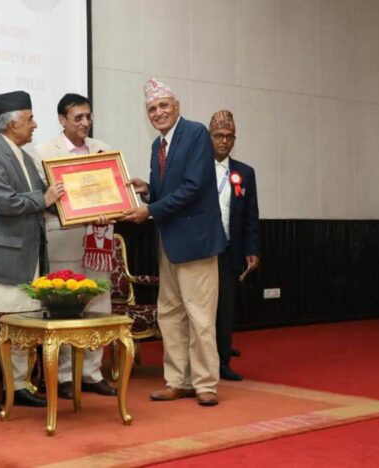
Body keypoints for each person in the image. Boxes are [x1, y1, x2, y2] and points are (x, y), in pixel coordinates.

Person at [121, 78, 227, 407]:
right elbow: (168, 191)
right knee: (170, 314)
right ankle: (178, 381)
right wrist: (148, 190)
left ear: (177, 106)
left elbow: (194, 187)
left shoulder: (195, 133)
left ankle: (205, 383)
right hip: (168, 242)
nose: (158, 112)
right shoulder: (158, 145)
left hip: (196, 242)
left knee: (200, 316)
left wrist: (150, 210)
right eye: (152, 108)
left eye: (164, 105)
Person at [0, 90, 64, 417]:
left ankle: (19, 385)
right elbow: (7, 203)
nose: (34, 125)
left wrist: (82, 207)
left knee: (25, 321)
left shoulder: (24, 156)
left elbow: (44, 198)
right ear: (11, 124)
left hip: (27, 254)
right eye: (30, 119)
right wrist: (46, 199)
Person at [32, 93, 117, 399]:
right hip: (62, 236)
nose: (85, 122)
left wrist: (109, 206)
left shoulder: (102, 149)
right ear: (62, 120)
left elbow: (113, 191)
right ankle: (64, 375)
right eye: (78, 117)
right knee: (64, 305)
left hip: (98, 238)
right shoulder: (43, 152)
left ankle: (92, 372)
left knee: (98, 301)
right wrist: (76, 208)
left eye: (88, 116)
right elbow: (43, 197)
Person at [208, 110, 260, 381]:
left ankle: (223, 362)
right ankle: (200, 362)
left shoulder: (244, 173)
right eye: (218, 135)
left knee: (225, 308)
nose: (224, 141)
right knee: (202, 310)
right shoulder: (197, 168)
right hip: (202, 250)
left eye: (229, 136)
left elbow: (251, 215)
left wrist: (252, 250)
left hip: (230, 249)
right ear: (209, 137)